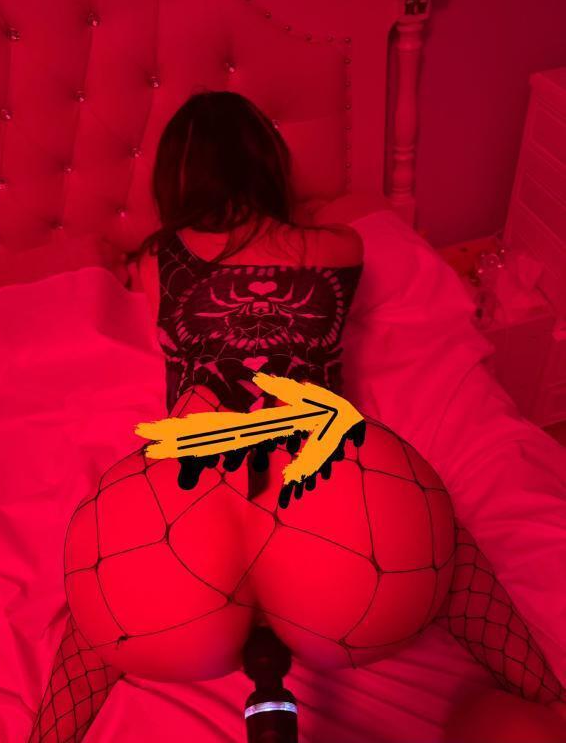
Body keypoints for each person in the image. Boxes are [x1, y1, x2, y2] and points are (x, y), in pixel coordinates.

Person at [28, 91, 566, 743]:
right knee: (452, 559)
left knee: (93, 622)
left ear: (173, 178)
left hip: (187, 527)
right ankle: (549, 700)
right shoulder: (340, 246)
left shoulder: (153, 262)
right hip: (336, 512)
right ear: (270, 162)